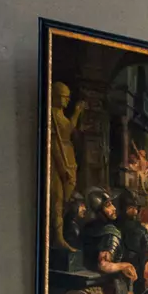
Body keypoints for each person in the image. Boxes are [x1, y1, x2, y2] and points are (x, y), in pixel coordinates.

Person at [50, 81, 85, 251]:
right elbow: (54, 144)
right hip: (59, 160)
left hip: (68, 156)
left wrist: (77, 112)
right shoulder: (52, 115)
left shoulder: (61, 115)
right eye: (64, 97)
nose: (66, 100)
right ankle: (58, 238)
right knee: (57, 199)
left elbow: (69, 129)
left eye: (68, 97)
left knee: (65, 200)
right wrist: (62, 167)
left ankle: (60, 235)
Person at [117, 191, 148, 278]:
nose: (134, 211)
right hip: (117, 270)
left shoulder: (141, 230)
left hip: (137, 270)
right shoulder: (114, 226)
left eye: (136, 208)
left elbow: (147, 252)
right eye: (130, 208)